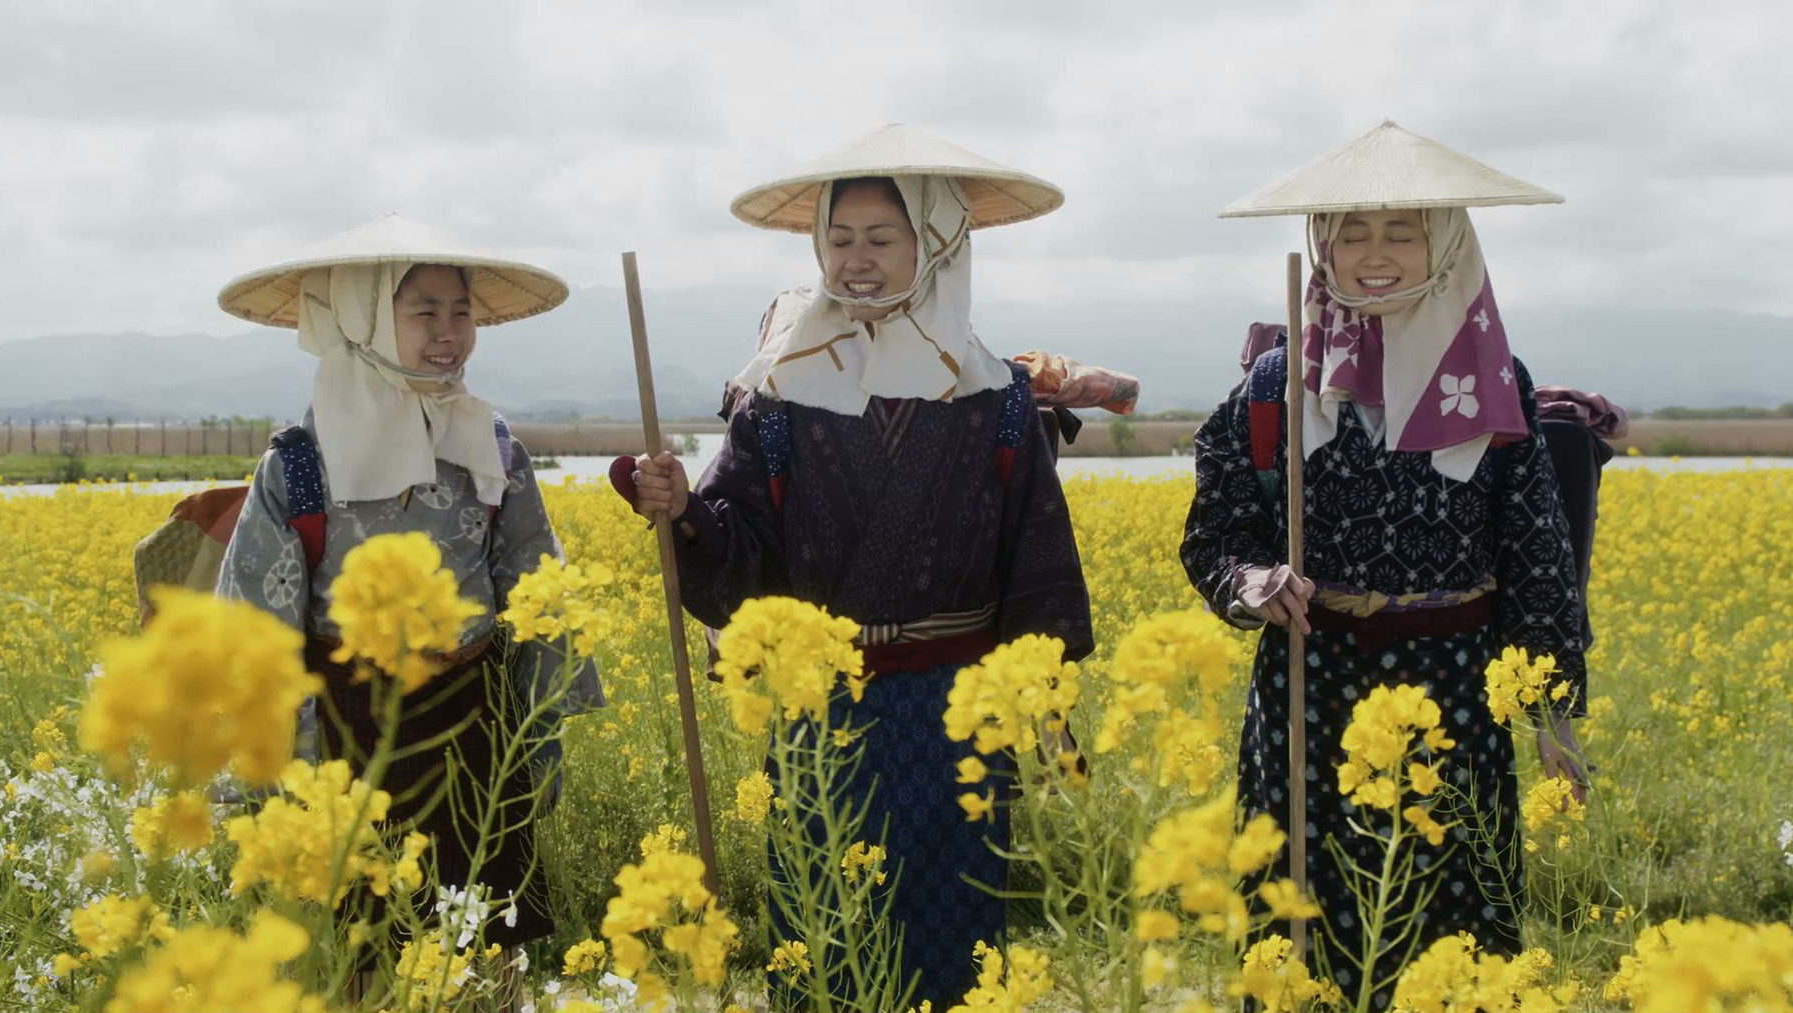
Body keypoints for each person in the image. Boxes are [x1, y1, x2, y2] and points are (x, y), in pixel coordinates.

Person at [622, 124, 1093, 1006]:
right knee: (826, 927)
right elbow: (741, 544)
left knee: (954, 930)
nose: (857, 260)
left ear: (935, 243)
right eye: (839, 240)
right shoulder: (780, 392)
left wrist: (1043, 701)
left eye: (881, 238)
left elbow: (1035, 552)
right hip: (823, 710)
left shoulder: (995, 394)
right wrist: (683, 508)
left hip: (960, 714)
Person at [1185, 122, 1593, 1005]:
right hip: (1308, 692)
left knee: (1454, 933)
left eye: (1402, 232)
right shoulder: (1277, 382)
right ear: (1321, 245)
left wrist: (1551, 710)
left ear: (1443, 245)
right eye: (1352, 233)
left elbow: (1538, 554)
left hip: (1455, 697)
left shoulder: (1496, 379)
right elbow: (1215, 535)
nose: (1374, 254)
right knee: (1303, 929)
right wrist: (1251, 583)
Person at [212, 214, 601, 963]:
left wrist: (540, 731)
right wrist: (285, 777)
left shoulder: (492, 448)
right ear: (362, 320)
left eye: (461, 311)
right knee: (364, 957)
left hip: (475, 726)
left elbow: (539, 590)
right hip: (346, 735)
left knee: (488, 950)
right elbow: (255, 634)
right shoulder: (299, 465)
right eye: (424, 311)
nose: (449, 332)